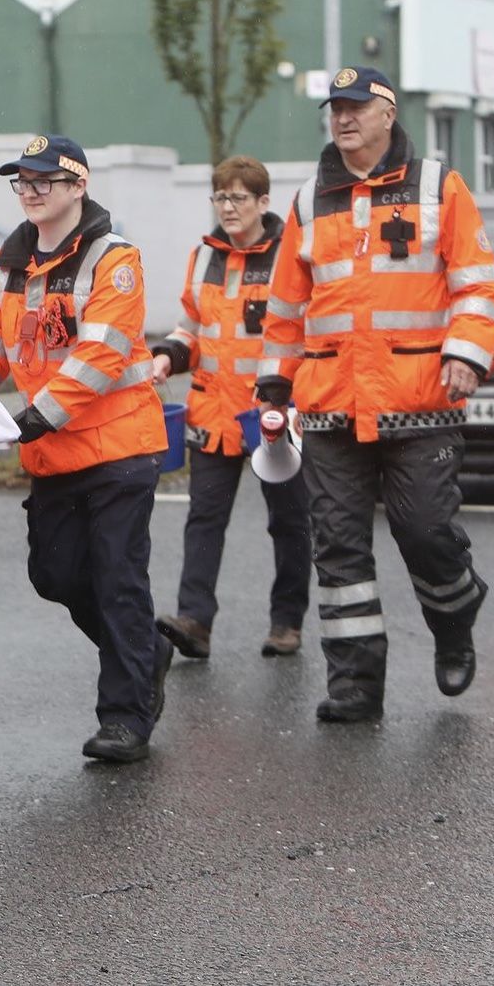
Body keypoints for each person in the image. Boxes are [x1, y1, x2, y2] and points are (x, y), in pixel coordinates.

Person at [256, 66, 494, 723]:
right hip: (331, 402)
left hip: (419, 399)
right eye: (335, 108)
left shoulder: (438, 187)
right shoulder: (309, 200)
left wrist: (467, 354)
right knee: (337, 546)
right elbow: (285, 306)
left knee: (425, 532)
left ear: (389, 113)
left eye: (358, 106)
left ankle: (454, 616)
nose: (344, 117)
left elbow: (479, 285)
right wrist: (275, 383)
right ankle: (356, 685)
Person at [0, 134, 172, 763]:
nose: (29, 190)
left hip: (118, 450)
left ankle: (126, 714)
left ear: (79, 186)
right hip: (54, 455)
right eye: (21, 181)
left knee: (116, 580)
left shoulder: (115, 259)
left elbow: (101, 354)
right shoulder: (9, 264)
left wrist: (35, 416)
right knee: (53, 576)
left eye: (43, 181)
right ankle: (145, 652)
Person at [149, 156, 311, 660]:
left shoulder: (291, 256)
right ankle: (194, 621)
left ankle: (287, 622)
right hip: (213, 414)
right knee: (204, 519)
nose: (228, 207)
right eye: (221, 197)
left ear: (264, 202)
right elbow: (191, 329)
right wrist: (167, 356)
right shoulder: (202, 256)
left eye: (239, 197)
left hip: (272, 417)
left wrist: (291, 398)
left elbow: (304, 334)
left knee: (288, 521)